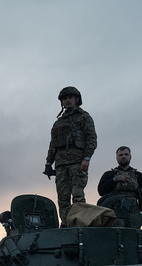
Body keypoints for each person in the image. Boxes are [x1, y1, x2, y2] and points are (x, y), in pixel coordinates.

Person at [44, 86, 97, 226]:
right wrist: (48, 163)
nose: (67, 101)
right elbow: (53, 145)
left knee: (78, 196)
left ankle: (80, 225)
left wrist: (87, 158)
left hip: (77, 163)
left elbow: (91, 139)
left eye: (70, 98)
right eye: (65, 99)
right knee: (63, 198)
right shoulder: (58, 122)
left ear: (77, 99)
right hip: (61, 165)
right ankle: (66, 225)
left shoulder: (84, 117)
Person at [96, 146, 142, 228]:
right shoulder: (109, 174)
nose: (123, 156)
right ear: (116, 158)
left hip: (131, 212)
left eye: (126, 154)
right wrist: (114, 180)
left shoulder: (138, 176)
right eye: (120, 155)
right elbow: (101, 191)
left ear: (130, 157)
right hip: (112, 213)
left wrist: (141, 211)